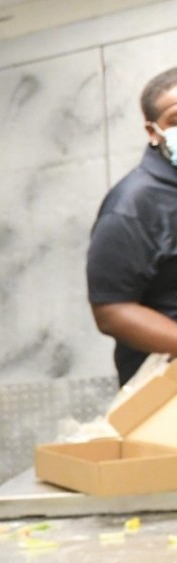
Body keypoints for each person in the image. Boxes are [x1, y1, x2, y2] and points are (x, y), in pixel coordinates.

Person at [89, 67, 177, 384]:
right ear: (153, 131)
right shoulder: (131, 207)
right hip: (165, 394)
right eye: (176, 120)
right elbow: (111, 310)